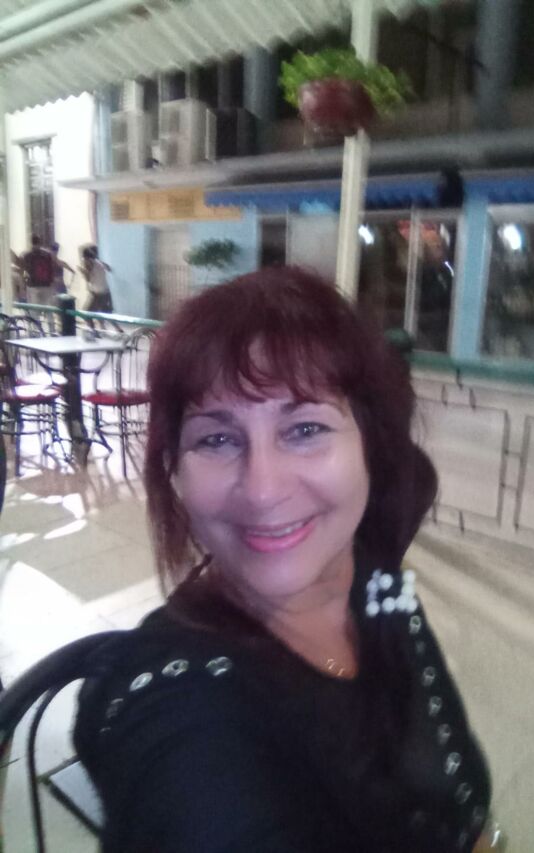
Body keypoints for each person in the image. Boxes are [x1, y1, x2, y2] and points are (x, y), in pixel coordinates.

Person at [74, 267, 492, 853]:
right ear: (175, 471)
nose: (263, 490)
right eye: (217, 439)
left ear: (371, 445)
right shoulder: (184, 707)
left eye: (304, 429)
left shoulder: (371, 575)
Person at [20, 234, 55, 305]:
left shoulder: (26, 255)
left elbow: (24, 271)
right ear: (40, 242)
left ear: (31, 242)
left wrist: (23, 286)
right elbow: (51, 269)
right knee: (47, 308)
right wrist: (52, 284)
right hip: (46, 285)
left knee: (34, 308)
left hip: (33, 285)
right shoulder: (47, 254)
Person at [79, 247, 113, 313]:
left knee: (87, 313)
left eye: (85, 259)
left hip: (100, 294)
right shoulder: (98, 263)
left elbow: (88, 279)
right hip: (102, 293)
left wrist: (84, 272)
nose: (84, 261)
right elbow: (109, 269)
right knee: (103, 313)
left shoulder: (94, 264)